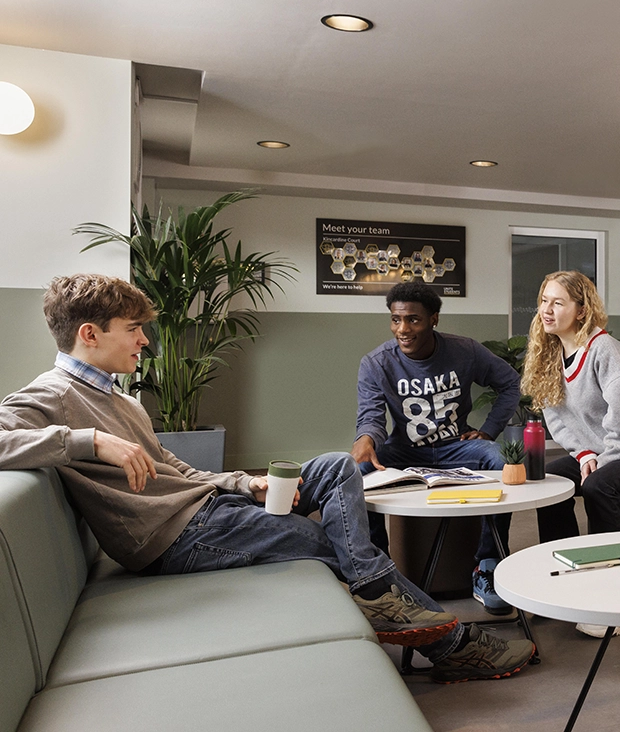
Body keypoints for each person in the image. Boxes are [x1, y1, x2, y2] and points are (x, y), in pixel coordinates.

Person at [0, 274, 532, 683]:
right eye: (133, 329)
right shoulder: (53, 395)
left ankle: (379, 589)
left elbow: (178, 470)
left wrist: (243, 483)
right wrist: (87, 441)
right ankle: (453, 645)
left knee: (333, 465)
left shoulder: (118, 397)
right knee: (327, 545)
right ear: (90, 334)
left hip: (212, 510)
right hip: (176, 537)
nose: (145, 341)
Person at [520, 271, 620, 636]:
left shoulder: (605, 350)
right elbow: (560, 424)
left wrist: (601, 462)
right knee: (548, 483)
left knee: (600, 488)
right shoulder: (551, 355)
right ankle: (564, 584)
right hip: (604, 452)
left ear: (581, 310)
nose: (547, 310)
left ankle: (614, 604)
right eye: (544, 301)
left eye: (558, 302)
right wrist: (583, 456)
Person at [352, 282, 522, 616]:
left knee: (503, 462)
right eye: (396, 320)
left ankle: (487, 564)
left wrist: (488, 431)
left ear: (434, 319)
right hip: (404, 451)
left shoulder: (465, 351)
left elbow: (509, 383)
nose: (403, 329)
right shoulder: (376, 363)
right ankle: (379, 571)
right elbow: (371, 416)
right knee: (358, 470)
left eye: (413, 320)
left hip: (457, 448)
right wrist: (366, 438)